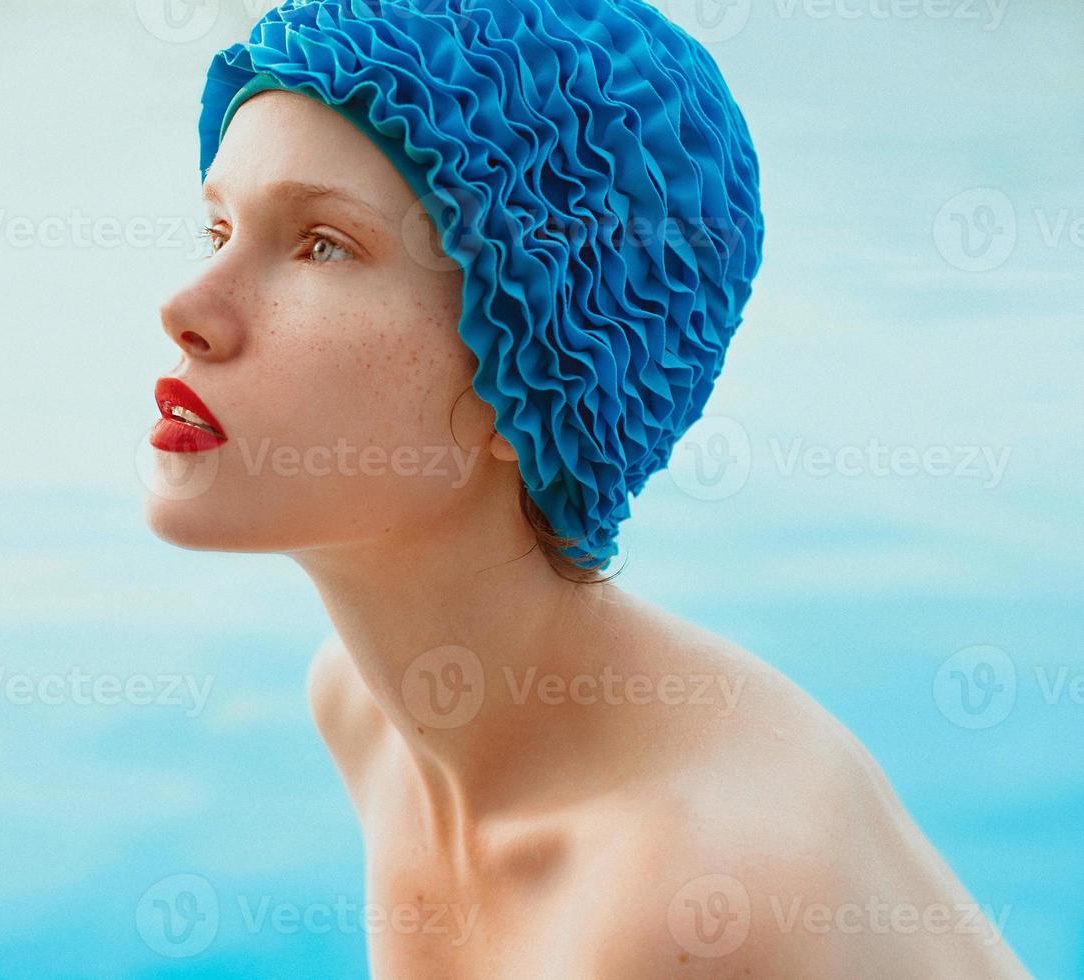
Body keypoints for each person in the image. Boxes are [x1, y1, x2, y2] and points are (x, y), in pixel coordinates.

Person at [146, 0, 1030, 974]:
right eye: (216, 227)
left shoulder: (674, 894)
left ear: (526, 367)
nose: (186, 309)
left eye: (321, 244)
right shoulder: (365, 709)